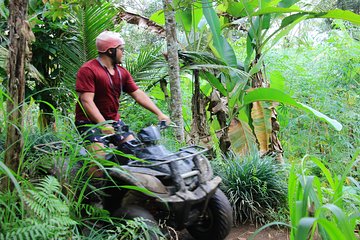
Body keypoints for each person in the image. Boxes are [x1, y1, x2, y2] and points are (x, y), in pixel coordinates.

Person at [75, 31, 170, 178]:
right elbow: (86, 100)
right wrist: (102, 124)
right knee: (98, 162)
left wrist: (160, 113)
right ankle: (93, 195)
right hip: (89, 123)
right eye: (121, 49)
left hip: (114, 121)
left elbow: (138, 94)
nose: (123, 53)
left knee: (134, 152)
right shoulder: (89, 70)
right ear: (110, 51)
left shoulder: (122, 72)